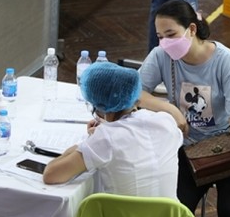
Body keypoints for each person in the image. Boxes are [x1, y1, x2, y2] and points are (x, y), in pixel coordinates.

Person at [138, 0, 230, 217]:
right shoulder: (162, 55)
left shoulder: (225, 61)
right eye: (160, 36)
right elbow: (136, 93)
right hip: (191, 145)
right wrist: (170, 109)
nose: (165, 42)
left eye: (171, 35)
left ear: (191, 29)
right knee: (176, 208)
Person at [42, 62, 183, 198]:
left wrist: (88, 142)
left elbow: (51, 175)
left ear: (101, 108)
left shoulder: (105, 138)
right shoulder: (166, 122)